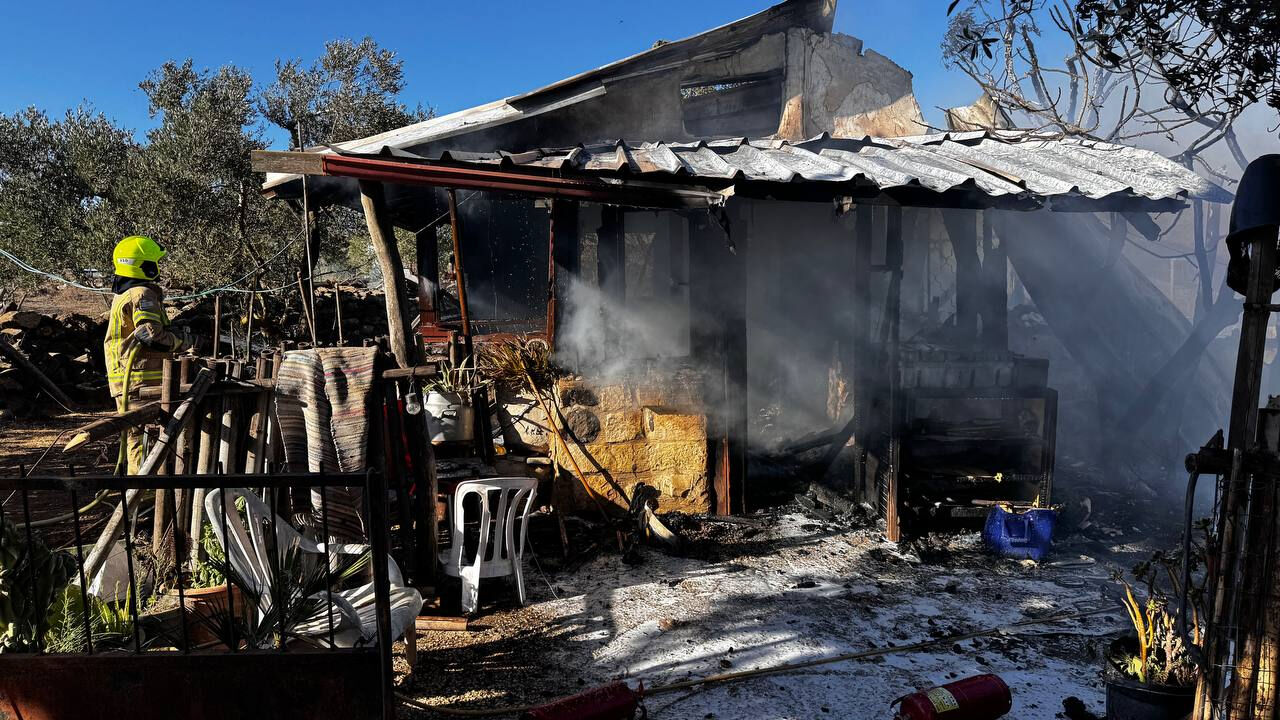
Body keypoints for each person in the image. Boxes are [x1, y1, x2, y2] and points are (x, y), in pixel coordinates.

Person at [104, 236, 190, 474]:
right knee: (146, 441)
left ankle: (140, 496)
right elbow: (151, 335)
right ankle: (145, 498)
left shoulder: (126, 292)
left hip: (130, 382)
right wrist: (183, 341)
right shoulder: (141, 293)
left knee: (138, 441)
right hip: (141, 383)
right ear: (145, 265)